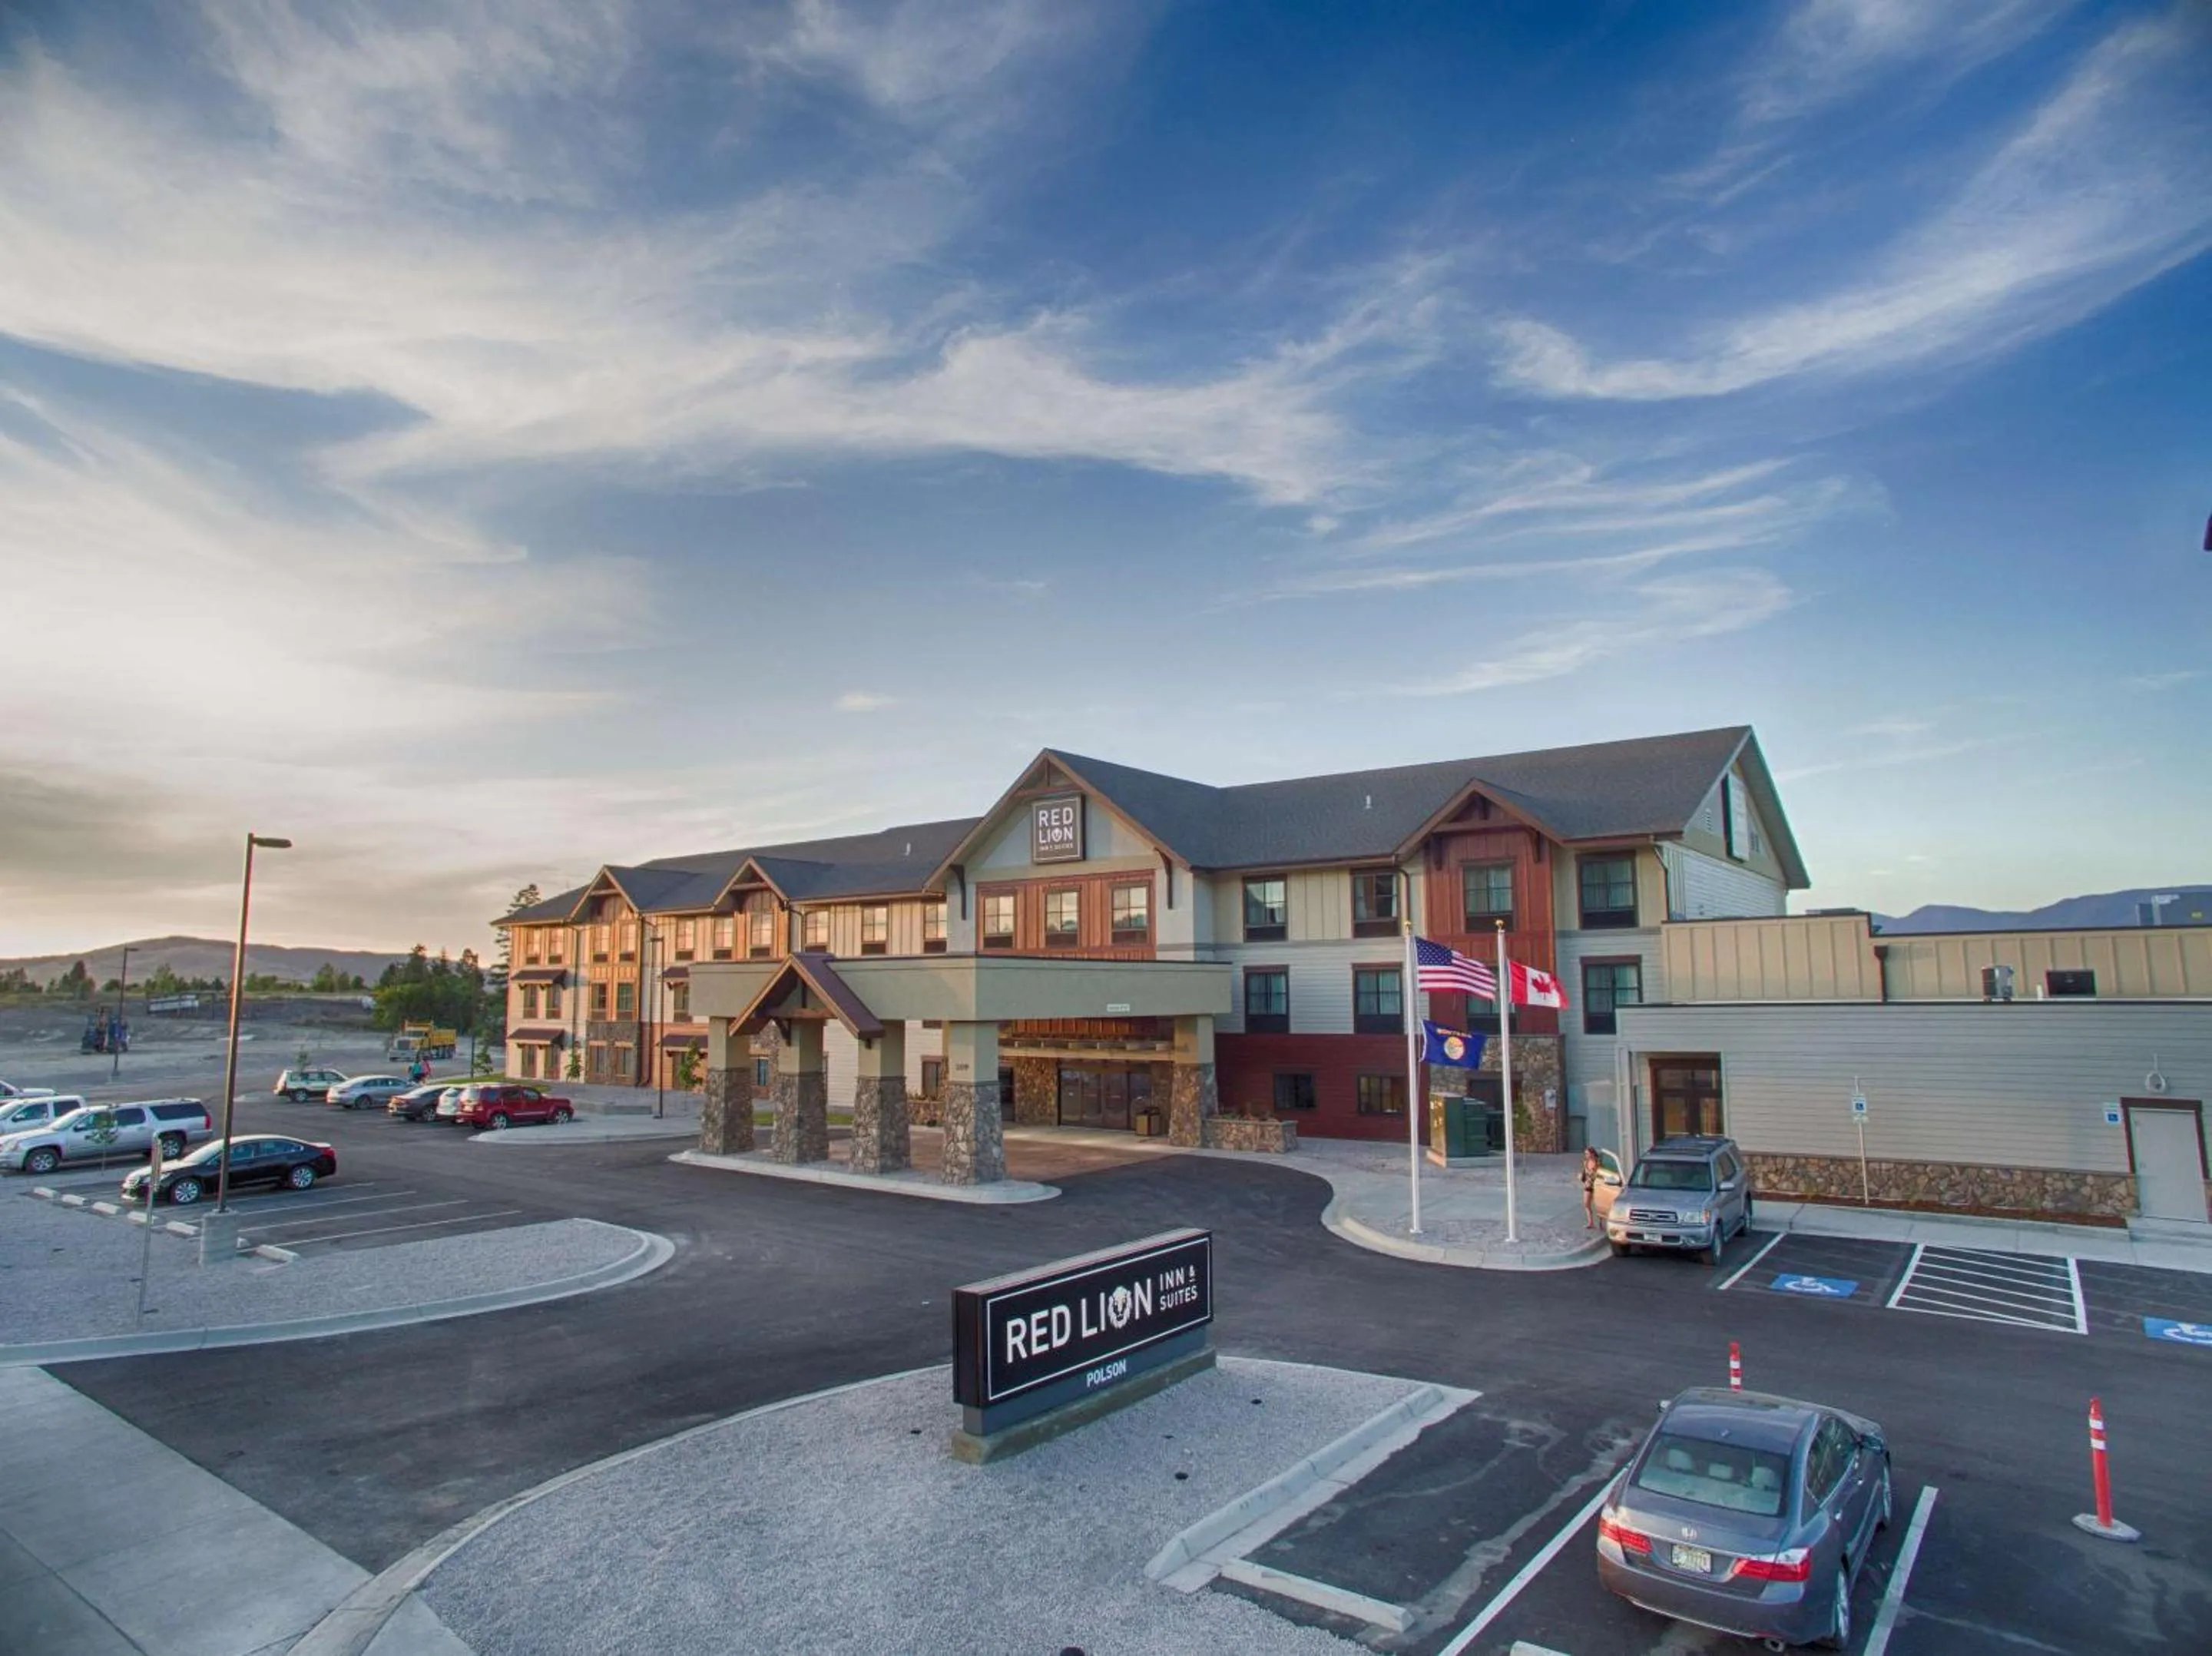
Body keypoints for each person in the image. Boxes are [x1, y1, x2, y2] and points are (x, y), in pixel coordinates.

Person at [1581, 1146, 1603, 1230]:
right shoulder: (1585, 1162)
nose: (1586, 1155)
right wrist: (1582, 1178)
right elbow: (1584, 1173)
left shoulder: (1598, 1162)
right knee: (1586, 1203)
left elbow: (1601, 1173)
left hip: (1597, 1185)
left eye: (1587, 1154)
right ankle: (1590, 1222)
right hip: (1588, 1185)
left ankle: (1601, 1222)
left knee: (1598, 1204)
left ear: (1592, 1154)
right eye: (1585, 1154)